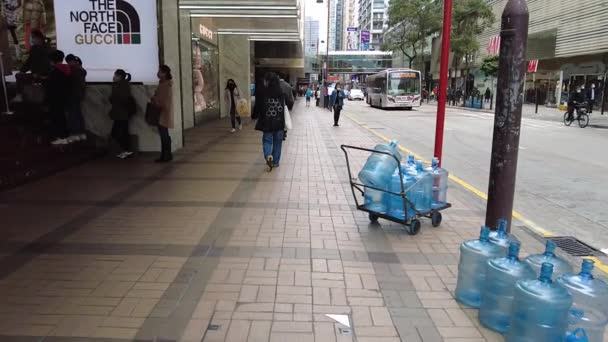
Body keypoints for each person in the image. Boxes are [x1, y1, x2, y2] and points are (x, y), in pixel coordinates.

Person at [252, 72, 285, 172]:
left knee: (267, 141)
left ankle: (268, 155)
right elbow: (289, 104)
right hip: (279, 123)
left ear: (268, 81)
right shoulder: (281, 93)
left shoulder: (262, 93)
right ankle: (275, 162)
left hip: (266, 123)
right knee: (277, 143)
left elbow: (257, 107)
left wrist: (254, 116)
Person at [46, 50, 71, 145]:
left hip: (56, 98)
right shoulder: (66, 69)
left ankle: (61, 137)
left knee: (57, 117)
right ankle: (64, 136)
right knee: (62, 117)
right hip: (64, 97)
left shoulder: (56, 71)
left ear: (53, 60)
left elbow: (52, 86)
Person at [151, 65, 174, 163]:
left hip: (162, 112)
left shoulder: (165, 85)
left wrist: (154, 99)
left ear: (164, 73)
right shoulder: (164, 83)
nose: (158, 73)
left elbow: (162, 100)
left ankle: (166, 155)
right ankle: (166, 154)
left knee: (164, 134)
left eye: (159, 71)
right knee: (164, 134)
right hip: (163, 112)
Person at [109, 69, 133, 159]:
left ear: (120, 76)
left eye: (115, 75)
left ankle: (127, 150)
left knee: (118, 133)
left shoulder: (121, 85)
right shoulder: (122, 85)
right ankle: (126, 150)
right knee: (122, 132)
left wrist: (112, 99)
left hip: (121, 113)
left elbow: (119, 98)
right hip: (121, 112)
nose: (113, 77)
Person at [65, 54, 87, 142]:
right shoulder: (81, 70)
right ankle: (81, 133)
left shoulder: (72, 70)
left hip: (72, 95)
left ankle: (74, 133)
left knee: (72, 114)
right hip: (79, 95)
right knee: (78, 113)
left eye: (68, 62)